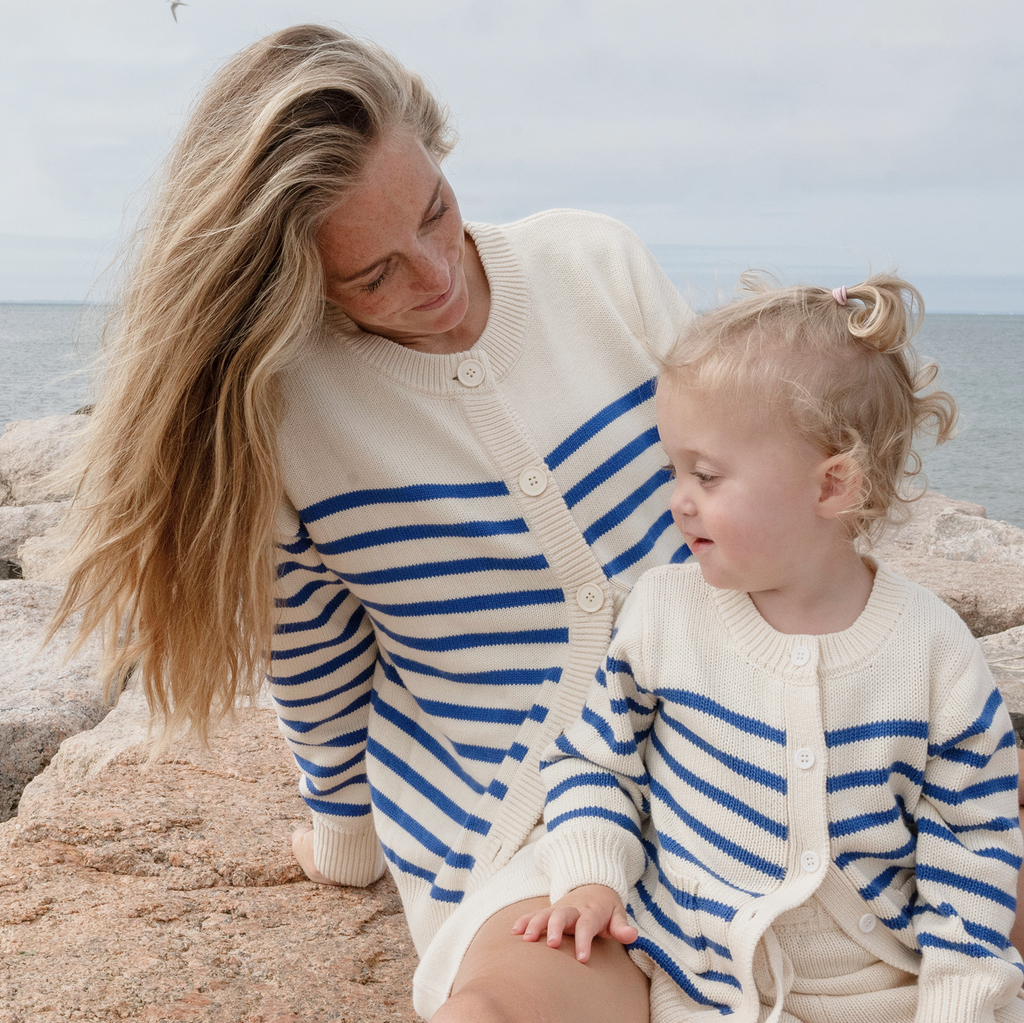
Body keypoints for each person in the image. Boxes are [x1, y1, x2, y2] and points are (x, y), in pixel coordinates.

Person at [50, 23, 692, 1023]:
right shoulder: (286, 415)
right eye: (373, 274)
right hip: (524, 826)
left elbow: (739, 471)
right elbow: (314, 662)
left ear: (436, 148)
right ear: (291, 279)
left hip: (745, 724)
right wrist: (345, 840)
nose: (434, 275)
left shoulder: (595, 264)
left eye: (436, 213)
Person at [513, 274, 1024, 1022]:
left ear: (833, 486)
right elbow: (595, 761)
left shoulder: (932, 652)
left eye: (707, 475)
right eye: (673, 469)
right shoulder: (664, 612)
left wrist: (957, 1003)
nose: (678, 497)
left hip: (885, 989)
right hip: (706, 980)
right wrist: (592, 877)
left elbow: (974, 848)